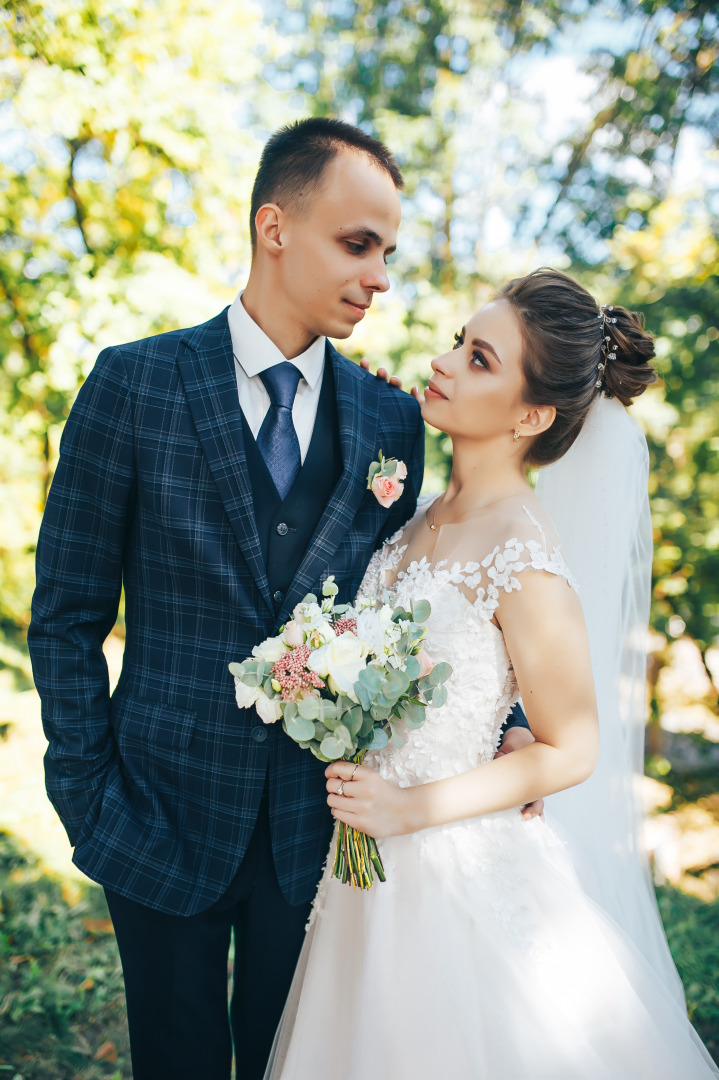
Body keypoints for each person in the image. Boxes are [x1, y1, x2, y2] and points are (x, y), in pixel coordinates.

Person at [27, 117, 533, 1080]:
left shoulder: (390, 415)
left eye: (387, 251)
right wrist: (85, 794)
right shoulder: (133, 386)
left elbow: (422, 588)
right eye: (357, 244)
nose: (380, 275)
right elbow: (64, 615)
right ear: (274, 228)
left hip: (319, 830)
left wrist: (505, 715)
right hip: (151, 810)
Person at [263, 269, 719, 1079]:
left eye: (478, 359)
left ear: (531, 415)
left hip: (451, 874)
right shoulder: (412, 520)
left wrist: (409, 807)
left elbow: (571, 749)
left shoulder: (524, 550)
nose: (443, 365)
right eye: (456, 344)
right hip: (362, 870)